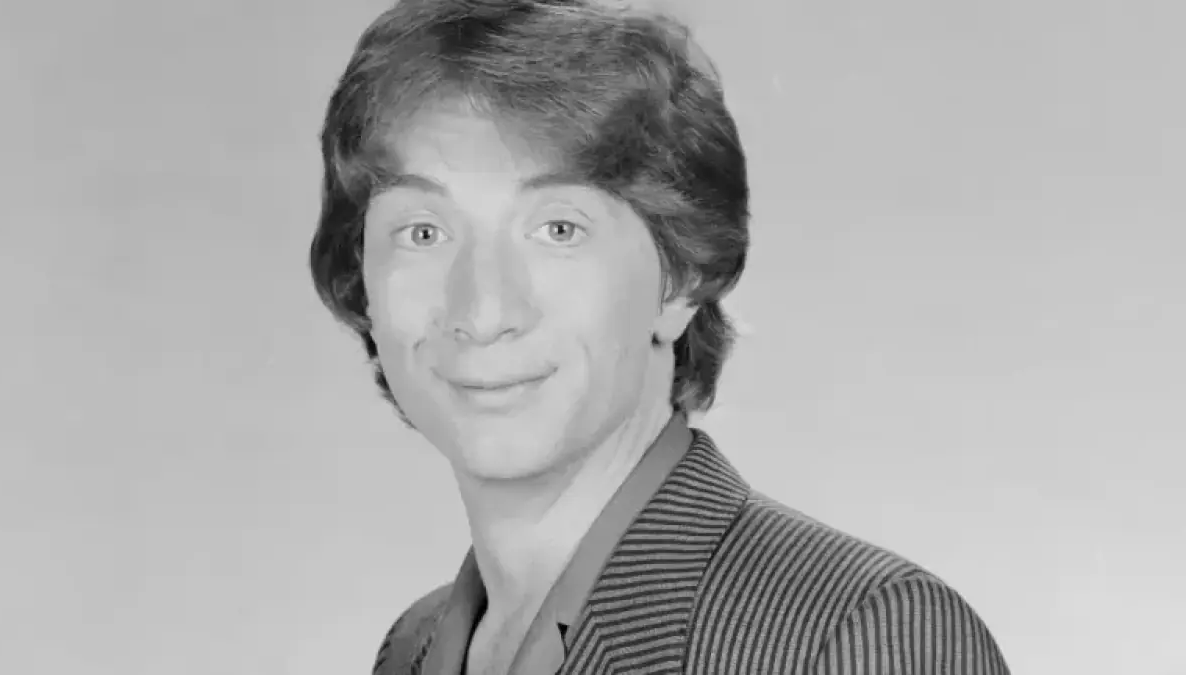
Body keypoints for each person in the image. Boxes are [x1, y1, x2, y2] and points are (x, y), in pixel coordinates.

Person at [309, 1, 1011, 673]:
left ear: (679, 279)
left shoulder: (854, 634)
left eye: (558, 229)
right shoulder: (415, 646)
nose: (483, 311)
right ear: (361, 279)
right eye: (422, 232)